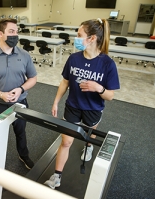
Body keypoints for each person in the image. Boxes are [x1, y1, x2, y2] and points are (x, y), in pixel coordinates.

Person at [44, 18, 120, 189]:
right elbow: (65, 82)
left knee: (90, 135)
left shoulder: (107, 64)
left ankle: (88, 146)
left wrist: (98, 88)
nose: (76, 38)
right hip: (72, 106)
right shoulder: (74, 58)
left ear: (92, 38)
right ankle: (56, 177)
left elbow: (110, 96)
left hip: (93, 109)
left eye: (79, 35)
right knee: (66, 142)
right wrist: (56, 101)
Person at [0, 18, 37, 169]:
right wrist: (0, 94)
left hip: (20, 103)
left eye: (16, 32)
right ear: (0, 34)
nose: (15, 35)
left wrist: (21, 89)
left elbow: (33, 78)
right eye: (11, 32)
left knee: (21, 132)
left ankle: (23, 155)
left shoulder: (24, 55)